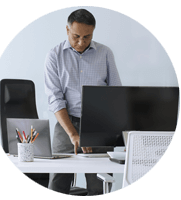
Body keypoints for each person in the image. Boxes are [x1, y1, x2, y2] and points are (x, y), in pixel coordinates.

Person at [44, 9, 122, 196]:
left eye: (87, 37)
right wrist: (73, 133)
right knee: (58, 181)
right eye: (76, 36)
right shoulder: (54, 56)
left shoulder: (105, 53)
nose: (81, 42)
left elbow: (115, 93)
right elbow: (55, 98)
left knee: (98, 185)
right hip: (66, 123)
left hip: (99, 124)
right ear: (67, 30)